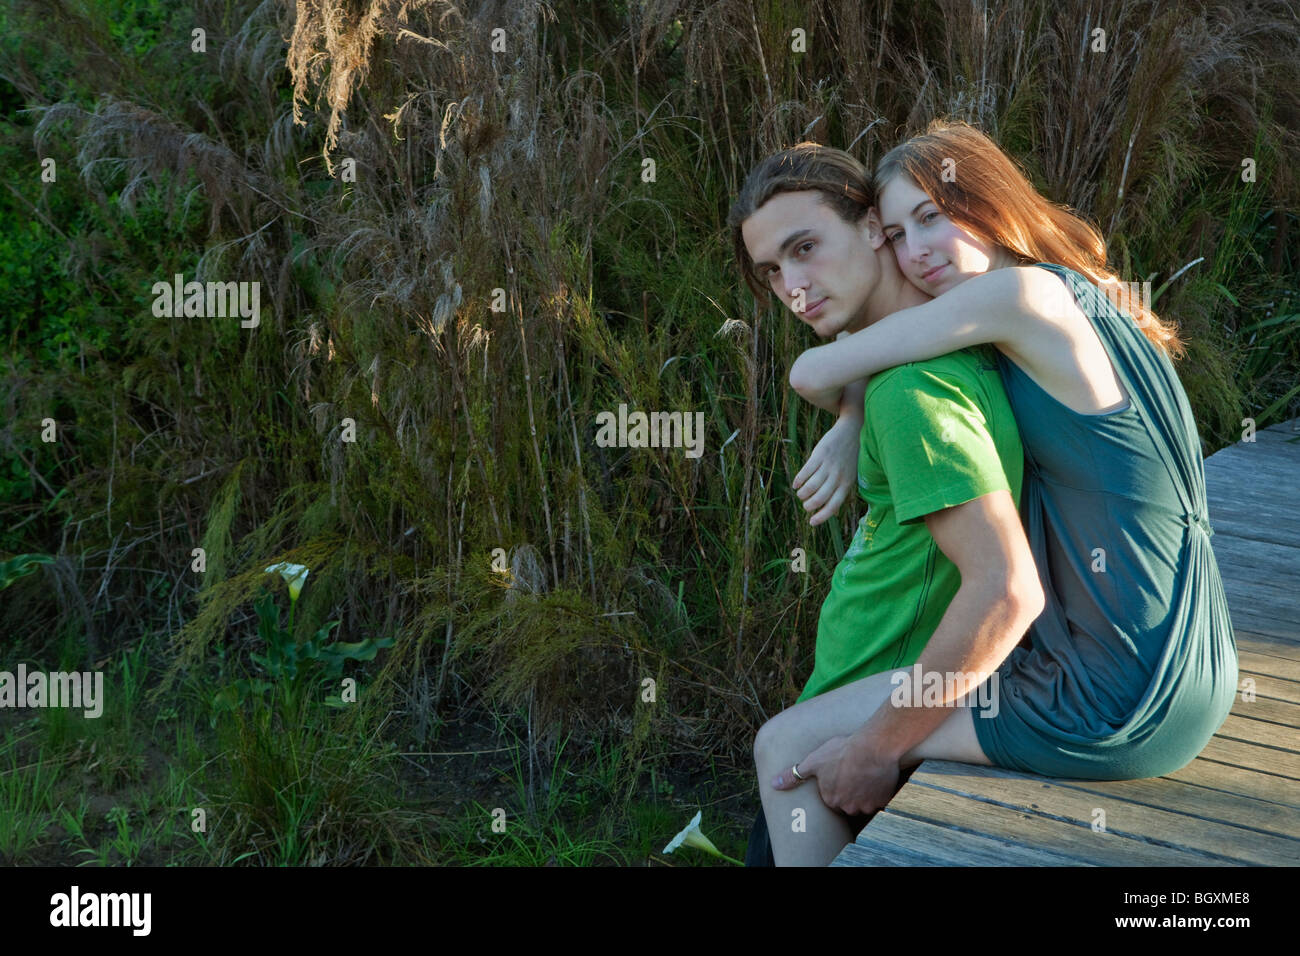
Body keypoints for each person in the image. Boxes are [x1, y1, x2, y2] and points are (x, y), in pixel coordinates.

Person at [771, 119, 1238, 865]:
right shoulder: (1078, 296)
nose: (917, 250)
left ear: (990, 199)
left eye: (932, 215)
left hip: (1113, 696)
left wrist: (873, 749)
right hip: (1197, 663)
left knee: (793, 743)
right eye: (894, 234)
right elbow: (899, 341)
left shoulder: (1021, 298)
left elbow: (815, 369)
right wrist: (860, 413)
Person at [729, 142, 1045, 867]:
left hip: (854, 754)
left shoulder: (911, 396)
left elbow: (1003, 588)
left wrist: (877, 744)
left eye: (806, 248)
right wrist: (852, 416)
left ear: (875, 225)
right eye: (773, 271)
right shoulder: (916, 362)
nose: (793, 285)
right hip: (848, 724)